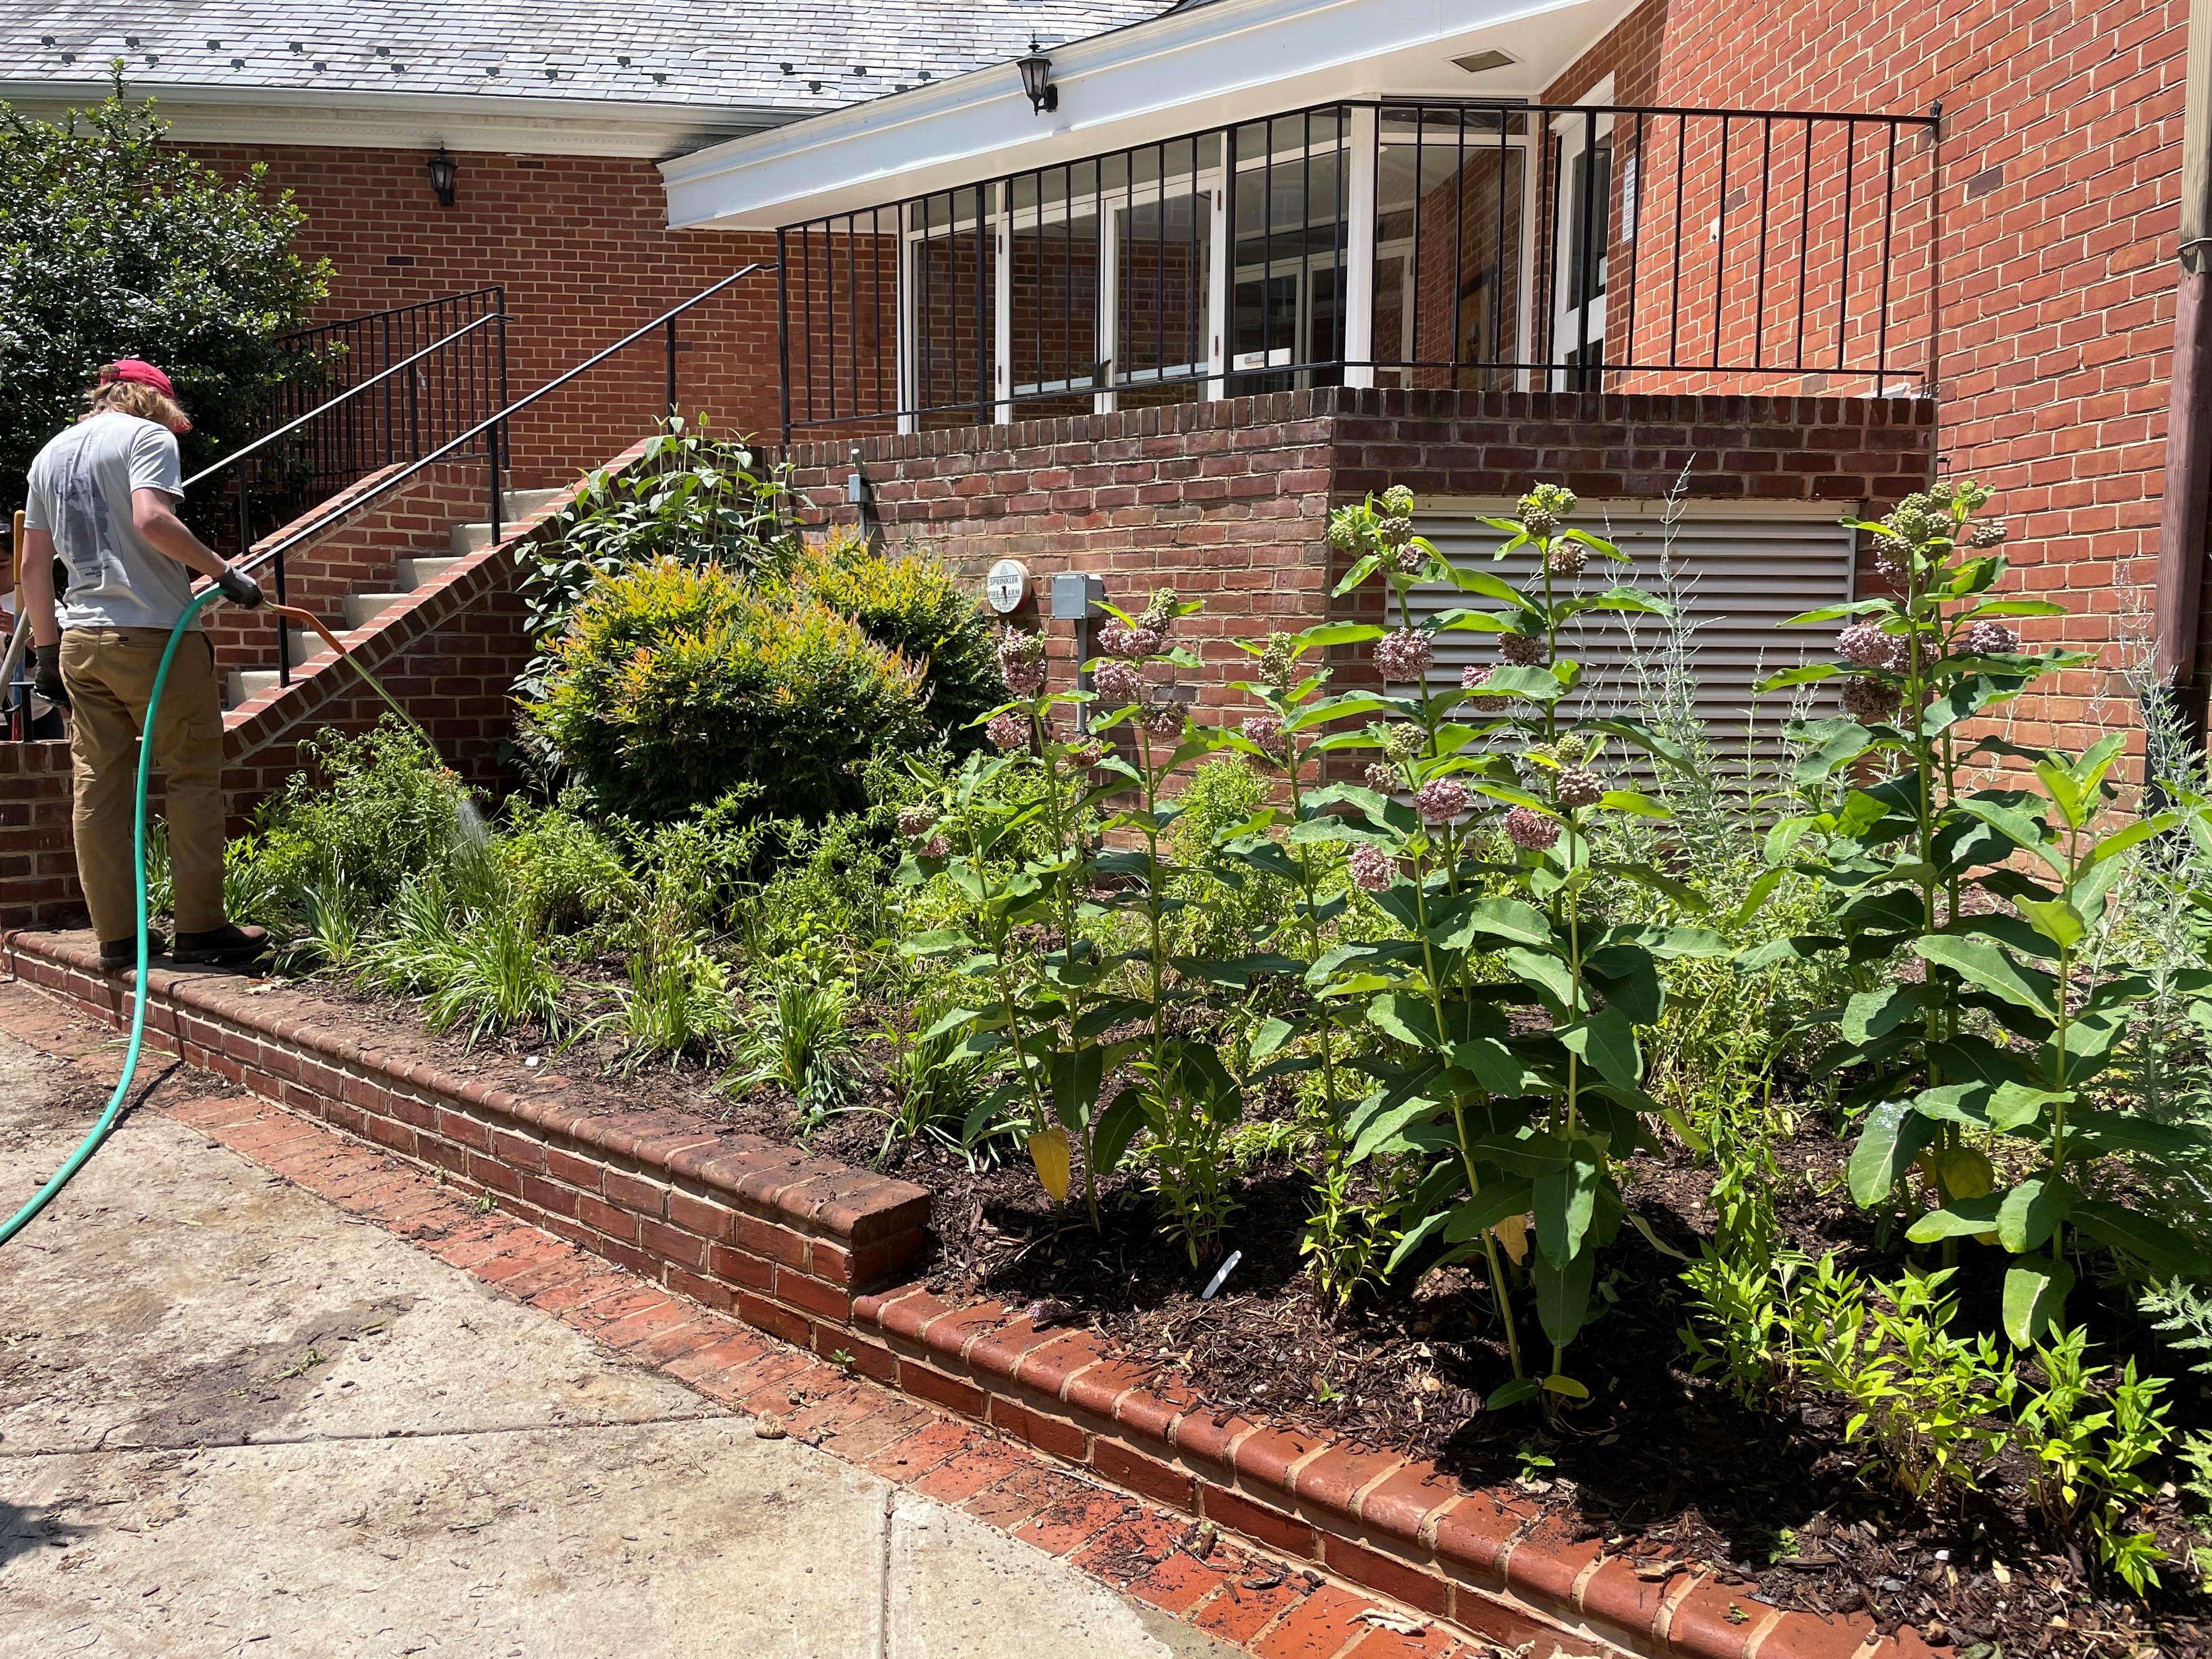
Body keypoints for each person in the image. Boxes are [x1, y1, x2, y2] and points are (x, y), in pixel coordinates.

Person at [19, 359, 270, 973]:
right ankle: (201, 929)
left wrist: (47, 652)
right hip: (154, 633)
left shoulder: (50, 453)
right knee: (189, 774)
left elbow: (31, 568)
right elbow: (152, 519)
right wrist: (223, 573)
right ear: (152, 400)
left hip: (80, 641)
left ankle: (118, 937)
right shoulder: (146, 436)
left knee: (99, 786)